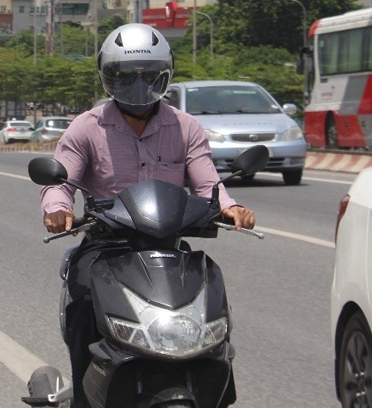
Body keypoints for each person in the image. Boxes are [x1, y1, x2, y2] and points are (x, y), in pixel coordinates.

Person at [40, 23, 256, 408]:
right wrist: (58, 208)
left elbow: (207, 181)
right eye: (125, 77)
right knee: (82, 299)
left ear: (165, 73)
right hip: (107, 249)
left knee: (211, 299)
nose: (137, 87)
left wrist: (229, 206)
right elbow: (61, 179)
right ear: (108, 76)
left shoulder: (185, 126)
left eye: (148, 76)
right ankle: (84, 396)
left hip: (168, 246)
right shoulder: (87, 127)